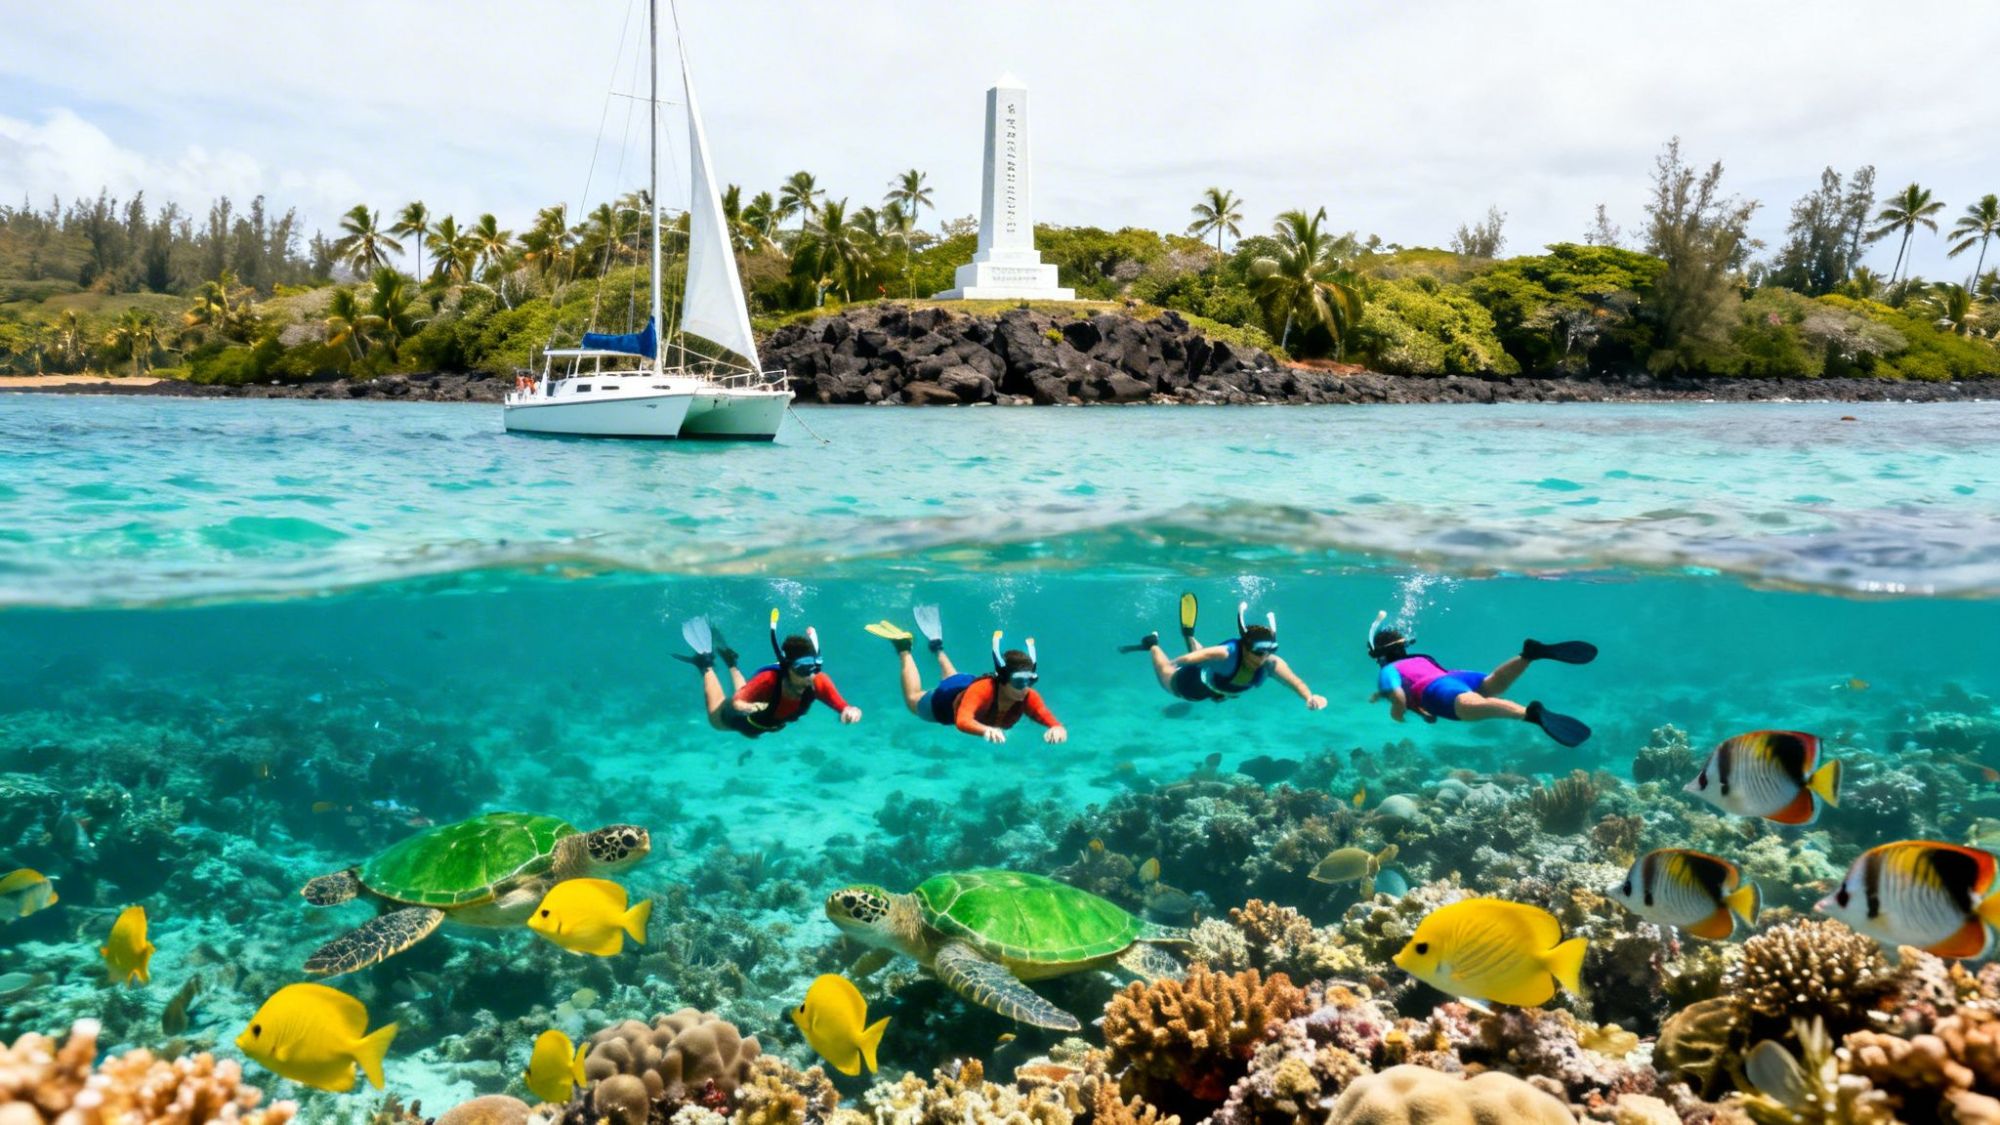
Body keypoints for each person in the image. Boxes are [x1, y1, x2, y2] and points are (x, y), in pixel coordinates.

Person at [1363, 610, 1596, 746]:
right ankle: (1529, 655)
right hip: (1454, 677)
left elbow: (1400, 697)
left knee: (1470, 706)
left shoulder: (1386, 672)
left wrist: (1397, 714)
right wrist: (1424, 712)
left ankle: (1529, 714)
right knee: (1493, 683)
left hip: (1435, 689)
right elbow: (1424, 683)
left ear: (1378, 655)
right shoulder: (1420, 658)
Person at [866, 607, 1068, 744]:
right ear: (1004, 680)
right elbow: (962, 720)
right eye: (1019, 682)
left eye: (1031, 680)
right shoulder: (983, 691)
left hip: (964, 684)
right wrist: (984, 730)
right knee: (913, 700)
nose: (1026, 687)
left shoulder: (1027, 695)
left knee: (953, 678)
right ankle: (904, 648)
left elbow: (1045, 715)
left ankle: (937, 648)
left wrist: (1057, 728)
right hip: (944, 703)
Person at [1123, 593, 1326, 711]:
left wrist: (1309, 697)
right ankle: (1152, 644)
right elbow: (1194, 658)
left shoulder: (1271, 664)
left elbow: (1295, 682)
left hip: (1217, 683)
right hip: (1191, 685)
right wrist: (1176, 662)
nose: (1262, 657)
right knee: (1167, 678)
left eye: (1269, 651)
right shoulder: (1225, 653)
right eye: (1258, 652)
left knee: (1206, 659)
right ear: (1245, 646)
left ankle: (1189, 635)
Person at [679, 609, 861, 739]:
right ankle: (706, 663)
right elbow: (737, 702)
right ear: (788, 668)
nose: (810, 676)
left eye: (813, 669)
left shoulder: (817, 681)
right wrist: (750, 707)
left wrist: (849, 710)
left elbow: (841, 704)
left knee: (749, 691)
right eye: (802, 670)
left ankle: (731, 662)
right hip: (748, 719)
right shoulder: (768, 680)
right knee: (717, 721)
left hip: (766, 719)